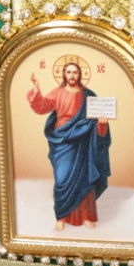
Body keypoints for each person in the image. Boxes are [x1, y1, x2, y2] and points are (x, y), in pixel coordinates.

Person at [27, 62, 111, 231]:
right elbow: (42, 106)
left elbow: (96, 124)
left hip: (84, 141)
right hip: (62, 140)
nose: (72, 75)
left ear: (80, 75)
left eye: (75, 72)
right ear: (64, 74)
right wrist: (36, 89)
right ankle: (62, 216)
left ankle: (85, 216)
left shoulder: (89, 95)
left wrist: (102, 124)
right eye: (69, 72)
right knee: (62, 178)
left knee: (84, 179)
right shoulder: (57, 93)